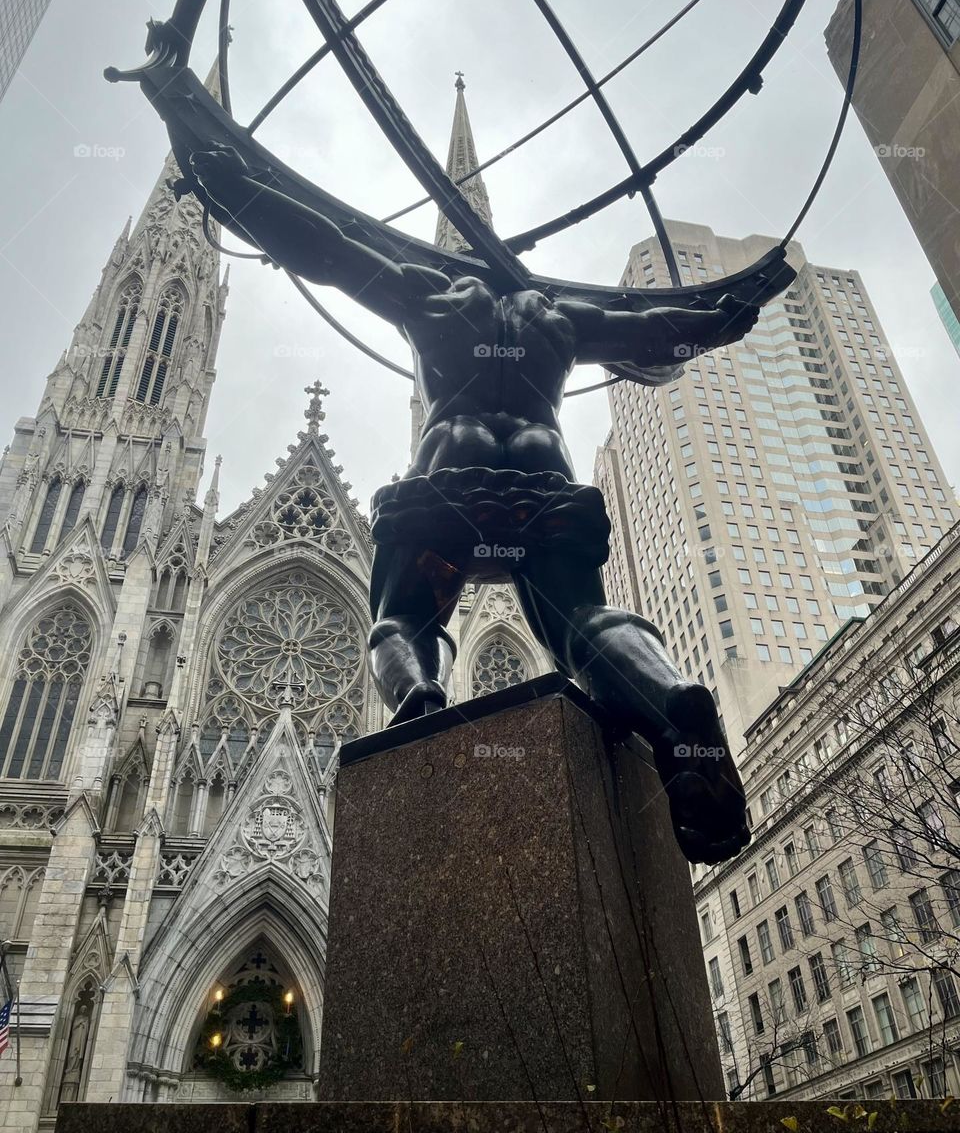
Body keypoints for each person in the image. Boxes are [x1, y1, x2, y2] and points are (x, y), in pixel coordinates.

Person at [192, 144, 760, 864]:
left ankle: (420, 697)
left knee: (403, 619)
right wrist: (719, 317)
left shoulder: (428, 292)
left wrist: (238, 193)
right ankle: (672, 699)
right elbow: (657, 334)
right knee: (584, 622)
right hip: (543, 476)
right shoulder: (557, 314)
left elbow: (327, 250)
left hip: (448, 474)